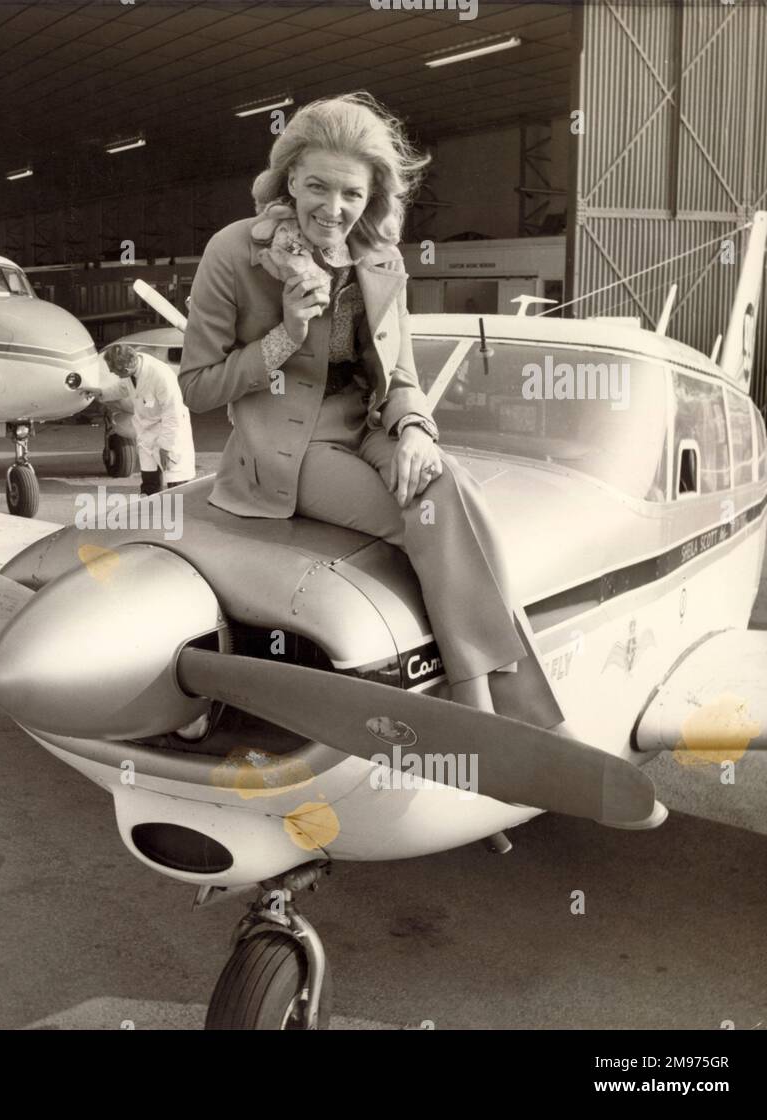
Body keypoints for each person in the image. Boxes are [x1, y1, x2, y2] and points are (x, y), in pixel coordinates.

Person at [177, 92, 565, 732]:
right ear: (289, 179)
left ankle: (498, 708)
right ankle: (492, 705)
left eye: (352, 194)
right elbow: (195, 387)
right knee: (440, 517)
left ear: (373, 195)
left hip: (368, 427)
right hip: (285, 451)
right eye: (317, 187)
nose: (333, 208)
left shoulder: (382, 258)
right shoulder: (232, 252)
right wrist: (283, 338)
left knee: (449, 485)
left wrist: (414, 429)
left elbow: (402, 374)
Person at [95, 342, 196, 494]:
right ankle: (150, 514)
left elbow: (173, 414)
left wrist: (166, 447)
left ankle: (181, 515)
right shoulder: (133, 370)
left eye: (115, 372)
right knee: (149, 484)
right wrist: (101, 393)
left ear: (127, 369)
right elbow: (123, 388)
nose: (112, 374)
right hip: (147, 432)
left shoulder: (161, 376)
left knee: (176, 485)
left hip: (169, 432)